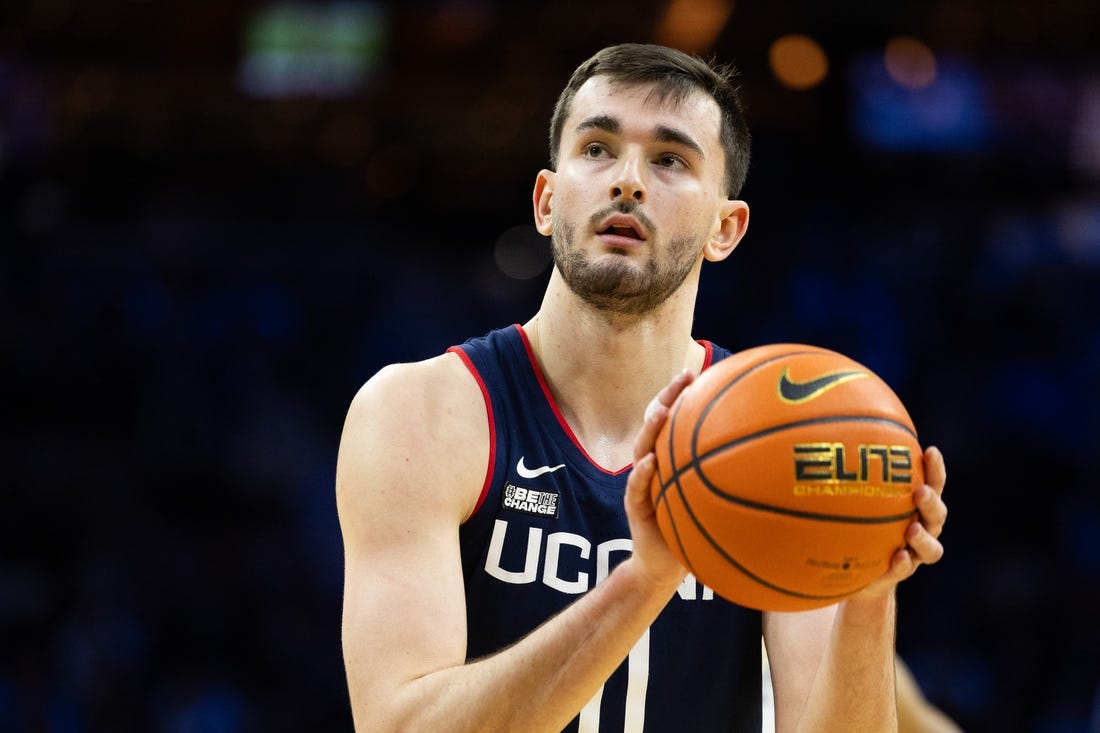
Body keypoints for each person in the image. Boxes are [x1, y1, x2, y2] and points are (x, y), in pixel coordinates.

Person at [336, 43, 948, 732]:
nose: (627, 180)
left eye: (670, 160)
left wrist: (867, 596)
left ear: (726, 227)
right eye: (597, 148)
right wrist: (645, 578)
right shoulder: (421, 413)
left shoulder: (793, 439)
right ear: (546, 199)